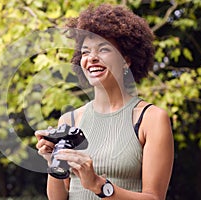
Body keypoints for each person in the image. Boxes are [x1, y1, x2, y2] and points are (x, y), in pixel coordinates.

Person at [35, 3, 174, 200]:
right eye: (85, 52)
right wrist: (52, 161)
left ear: (126, 60)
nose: (91, 58)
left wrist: (98, 185)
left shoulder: (151, 118)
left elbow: (154, 198)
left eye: (103, 49)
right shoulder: (69, 120)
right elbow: (58, 198)